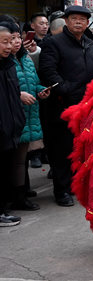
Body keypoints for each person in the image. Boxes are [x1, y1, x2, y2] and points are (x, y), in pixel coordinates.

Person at [38, 5, 93, 207]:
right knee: (61, 150)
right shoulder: (53, 43)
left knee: (81, 149)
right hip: (62, 106)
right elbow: (48, 70)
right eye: (74, 18)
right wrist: (65, 89)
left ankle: (77, 187)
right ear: (66, 21)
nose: (78, 22)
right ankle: (61, 190)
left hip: (87, 106)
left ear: (88, 23)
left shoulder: (90, 44)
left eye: (82, 19)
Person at [10, 24, 50, 211]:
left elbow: (32, 82)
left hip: (28, 114)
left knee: (21, 158)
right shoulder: (5, 61)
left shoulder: (25, 58)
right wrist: (19, 95)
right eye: (11, 39)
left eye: (19, 37)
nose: (17, 42)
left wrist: (40, 90)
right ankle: (15, 197)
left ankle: (22, 192)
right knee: (13, 160)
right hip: (11, 115)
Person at [0, 23, 26, 226]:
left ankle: (3, 210)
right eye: (4, 42)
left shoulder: (8, 65)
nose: (9, 46)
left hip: (10, 127)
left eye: (11, 41)